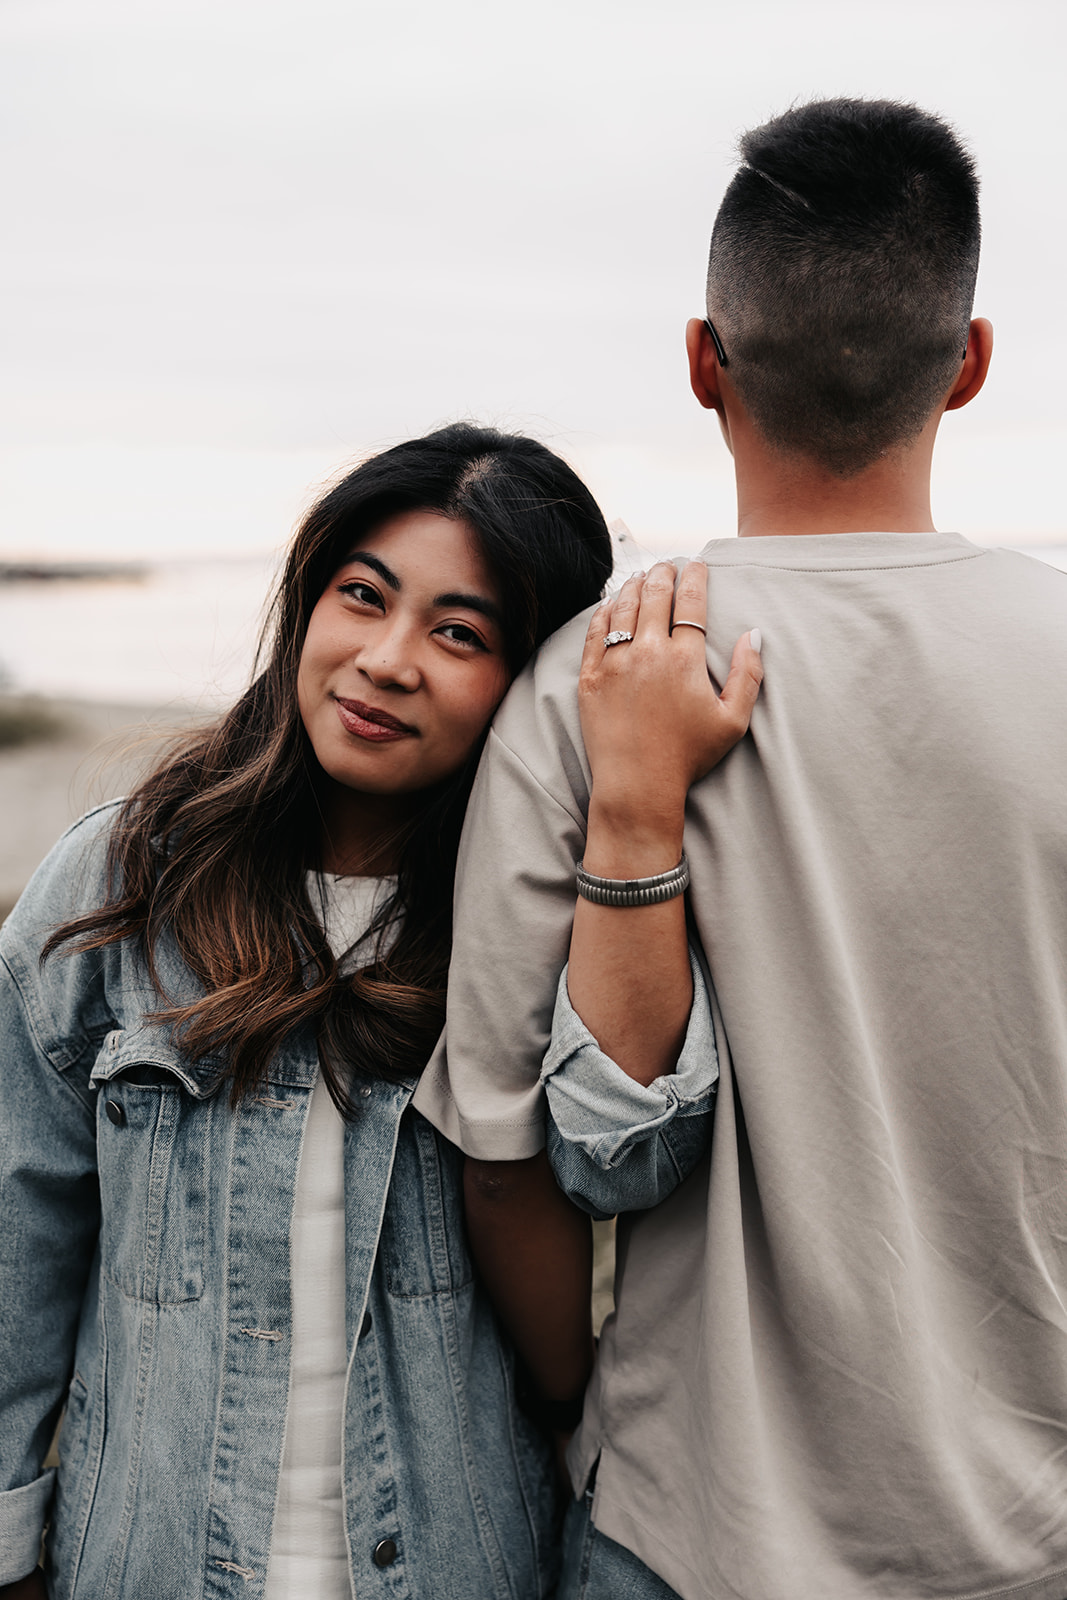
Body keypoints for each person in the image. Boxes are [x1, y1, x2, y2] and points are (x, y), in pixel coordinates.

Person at [413, 100, 1067, 1600]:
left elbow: (504, 1156)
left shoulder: (593, 675)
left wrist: (593, 1420)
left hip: (684, 1528)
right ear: (967, 364)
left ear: (701, 359)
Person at [0, 422, 628, 1600]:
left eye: (458, 632)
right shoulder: (117, 889)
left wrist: (634, 814)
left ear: (533, 675)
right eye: (361, 595)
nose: (386, 660)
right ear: (306, 603)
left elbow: (641, 1156)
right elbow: (12, 1252)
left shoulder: (554, 933)